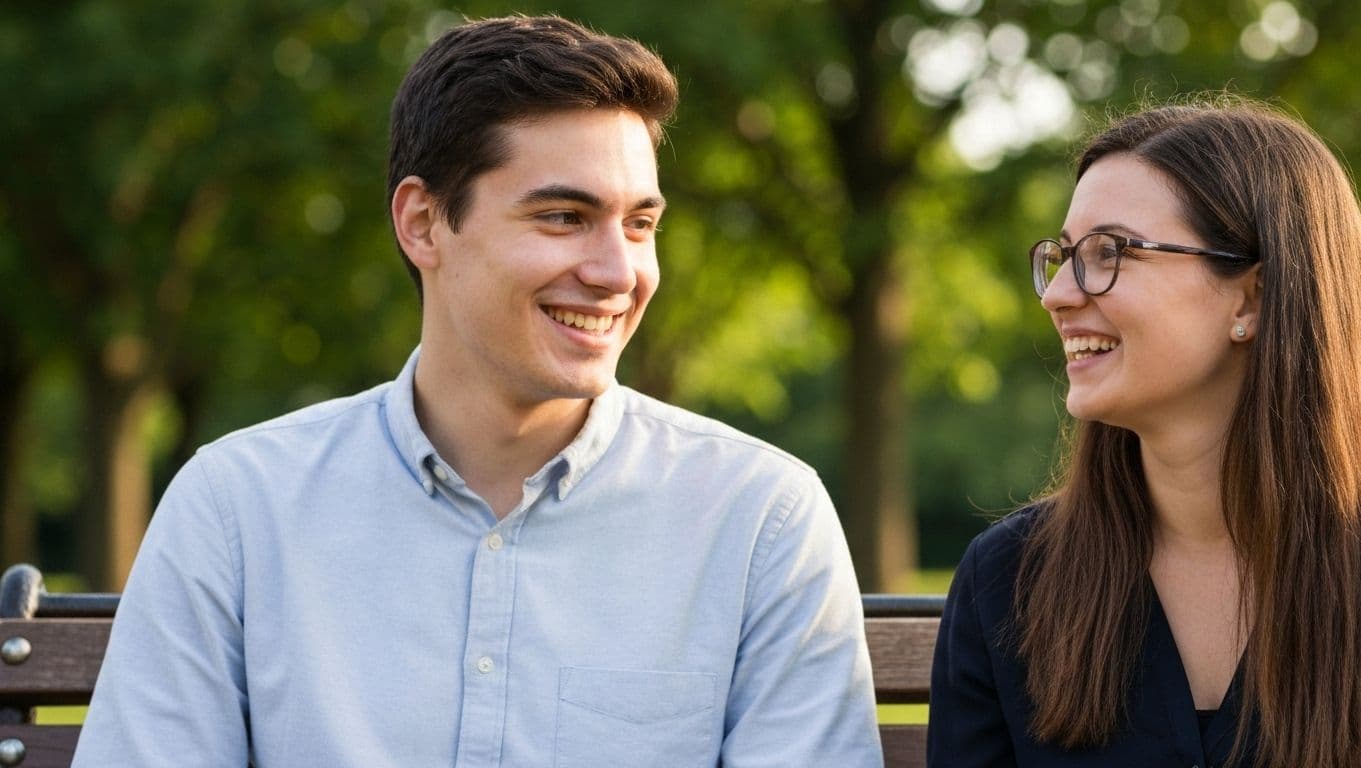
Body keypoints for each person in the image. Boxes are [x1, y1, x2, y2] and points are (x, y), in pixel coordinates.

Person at [74, 15, 882, 767]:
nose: (617, 272)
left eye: (640, 224)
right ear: (423, 223)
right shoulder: (236, 510)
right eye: (565, 217)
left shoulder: (759, 520)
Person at [928, 96, 1361, 768]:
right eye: (1063, 255)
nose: (1058, 294)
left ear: (1252, 297)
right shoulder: (1009, 583)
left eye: (1109, 252)